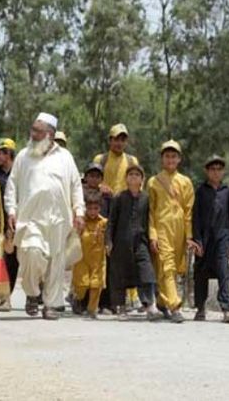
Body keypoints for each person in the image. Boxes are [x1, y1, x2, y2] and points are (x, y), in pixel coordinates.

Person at [5, 112, 85, 320]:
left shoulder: (65, 157)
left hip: (59, 217)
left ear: (50, 134)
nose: (33, 134)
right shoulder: (24, 156)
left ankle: (50, 305)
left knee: (56, 262)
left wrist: (79, 211)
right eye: (32, 130)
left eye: (38, 131)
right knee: (31, 253)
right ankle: (32, 293)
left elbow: (76, 185)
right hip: (30, 217)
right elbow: (12, 185)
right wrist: (11, 210)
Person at [105, 164, 161, 321]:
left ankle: (150, 305)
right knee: (119, 276)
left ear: (142, 179)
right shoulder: (119, 198)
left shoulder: (146, 199)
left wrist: (152, 238)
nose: (134, 177)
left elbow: (150, 221)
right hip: (121, 243)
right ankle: (120, 308)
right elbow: (111, 222)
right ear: (126, 178)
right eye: (131, 174)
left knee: (146, 272)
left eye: (137, 174)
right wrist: (108, 241)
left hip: (140, 242)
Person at [147, 140, 195, 323]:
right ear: (162, 158)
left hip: (180, 230)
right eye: (167, 156)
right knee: (166, 265)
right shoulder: (154, 182)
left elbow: (189, 211)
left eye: (174, 156)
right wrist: (152, 234)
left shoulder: (185, 182)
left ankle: (161, 301)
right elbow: (151, 211)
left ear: (179, 159)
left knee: (173, 269)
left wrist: (189, 236)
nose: (170, 159)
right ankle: (175, 306)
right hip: (161, 228)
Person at [94, 123, 140, 309]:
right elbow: (90, 179)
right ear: (110, 140)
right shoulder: (101, 159)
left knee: (122, 253)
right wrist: (99, 187)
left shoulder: (131, 161)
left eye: (122, 139)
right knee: (101, 252)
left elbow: (138, 183)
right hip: (104, 207)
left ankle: (126, 297)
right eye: (116, 139)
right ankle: (98, 297)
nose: (119, 143)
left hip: (125, 210)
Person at [191, 156, 229, 323]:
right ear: (207, 171)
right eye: (213, 169)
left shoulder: (227, 192)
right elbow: (195, 217)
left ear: (223, 171)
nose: (216, 172)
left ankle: (226, 309)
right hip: (204, 239)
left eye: (219, 169)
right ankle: (200, 308)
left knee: (223, 273)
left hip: (222, 238)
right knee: (200, 274)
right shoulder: (200, 191)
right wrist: (196, 239)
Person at [0, 137, 18, 309]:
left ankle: (7, 296)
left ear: (8, 153)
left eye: (0, 152)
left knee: (13, 261)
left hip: (17, 222)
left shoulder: (21, 173)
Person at [71, 190, 107, 319]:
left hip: (97, 260)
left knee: (96, 285)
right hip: (82, 258)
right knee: (82, 284)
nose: (92, 211)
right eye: (90, 208)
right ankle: (76, 297)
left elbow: (108, 237)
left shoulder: (103, 223)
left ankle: (92, 309)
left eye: (95, 208)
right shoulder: (81, 222)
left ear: (100, 208)